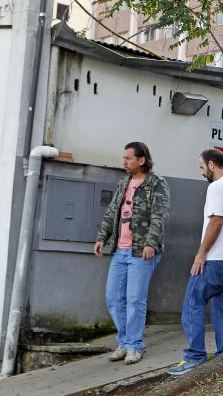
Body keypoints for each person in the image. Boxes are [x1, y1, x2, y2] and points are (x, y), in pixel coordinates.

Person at [169, 149, 223, 375]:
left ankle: (195, 357)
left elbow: (216, 221)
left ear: (212, 165)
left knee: (193, 305)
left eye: (202, 168)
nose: (202, 173)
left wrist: (201, 253)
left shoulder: (216, 187)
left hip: (214, 260)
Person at [94, 142, 170, 365]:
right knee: (114, 298)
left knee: (135, 300)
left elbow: (160, 216)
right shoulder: (124, 182)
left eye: (128, 158)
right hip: (120, 250)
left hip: (142, 251)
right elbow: (111, 213)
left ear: (141, 160)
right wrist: (102, 238)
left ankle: (135, 346)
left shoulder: (157, 184)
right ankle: (125, 342)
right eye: (124, 158)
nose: (124, 162)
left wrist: (151, 243)